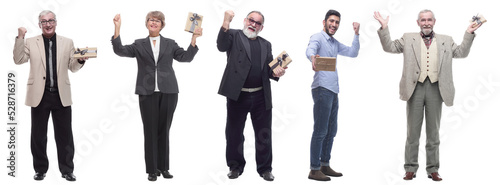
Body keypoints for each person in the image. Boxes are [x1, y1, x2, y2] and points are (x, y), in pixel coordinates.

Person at [373, 9, 482, 181]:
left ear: (434, 21)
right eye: (423, 20)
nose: (426, 23)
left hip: (436, 89)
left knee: (434, 133)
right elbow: (390, 47)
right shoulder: (408, 38)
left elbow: (461, 53)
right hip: (414, 89)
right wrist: (384, 28)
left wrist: (468, 33)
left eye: (429, 20)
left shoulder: (446, 40)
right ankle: (410, 168)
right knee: (412, 133)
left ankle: (432, 169)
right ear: (418, 23)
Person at [111, 11, 202, 181]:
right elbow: (120, 50)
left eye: (158, 21)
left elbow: (186, 58)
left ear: (162, 25)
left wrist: (194, 40)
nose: (154, 22)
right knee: (150, 131)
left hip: (169, 91)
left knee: (164, 130)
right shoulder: (139, 44)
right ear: (147, 23)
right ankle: (152, 170)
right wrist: (117, 29)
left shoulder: (170, 43)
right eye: (151, 20)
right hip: (147, 93)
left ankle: (164, 167)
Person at [13, 10, 88, 181]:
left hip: (61, 95)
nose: (48, 24)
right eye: (44, 21)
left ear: (56, 22)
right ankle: (40, 169)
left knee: (65, 136)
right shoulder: (31, 42)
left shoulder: (67, 42)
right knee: (38, 136)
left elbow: (72, 67)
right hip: (40, 95)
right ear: (39, 25)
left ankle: (67, 170)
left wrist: (81, 60)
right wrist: (20, 37)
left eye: (51, 21)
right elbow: (18, 60)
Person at [216, 10, 286, 181]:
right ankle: (235, 166)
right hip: (237, 95)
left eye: (258, 23)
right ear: (245, 20)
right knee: (234, 133)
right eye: (251, 20)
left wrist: (277, 72)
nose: (253, 24)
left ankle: (265, 169)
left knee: (264, 133)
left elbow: (269, 69)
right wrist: (226, 22)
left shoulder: (266, 44)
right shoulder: (234, 35)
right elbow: (221, 46)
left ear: (261, 28)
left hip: (261, 96)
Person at [305, 9, 360, 181]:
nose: (334, 24)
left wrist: (356, 34)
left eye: (337, 22)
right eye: (331, 21)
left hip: (333, 91)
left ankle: (324, 165)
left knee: (331, 130)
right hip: (322, 89)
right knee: (320, 130)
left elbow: (353, 52)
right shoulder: (317, 37)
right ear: (324, 22)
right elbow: (310, 50)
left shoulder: (334, 43)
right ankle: (314, 169)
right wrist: (313, 58)